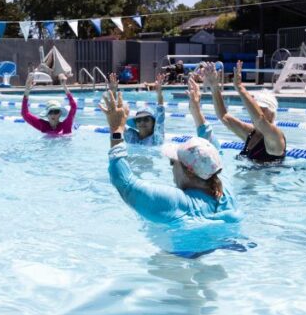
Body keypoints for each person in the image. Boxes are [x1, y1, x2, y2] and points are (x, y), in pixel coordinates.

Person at [99, 78, 239, 225]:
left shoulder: (177, 204)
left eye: (173, 162)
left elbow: (123, 183)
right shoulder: (224, 187)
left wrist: (115, 130)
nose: (171, 167)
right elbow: (216, 150)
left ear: (189, 172)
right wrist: (196, 110)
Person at [204, 61, 287, 165]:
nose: (256, 111)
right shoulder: (251, 133)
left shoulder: (276, 136)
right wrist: (214, 87)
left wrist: (239, 87)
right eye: (256, 107)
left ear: (272, 113)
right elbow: (223, 116)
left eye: (262, 109)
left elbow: (260, 120)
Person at [118, 72, 166, 145]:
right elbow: (117, 126)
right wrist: (112, 91)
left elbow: (160, 116)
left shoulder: (156, 139)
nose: (142, 122)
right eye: (138, 120)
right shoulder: (131, 137)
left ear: (153, 123)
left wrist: (159, 93)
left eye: (146, 119)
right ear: (135, 123)